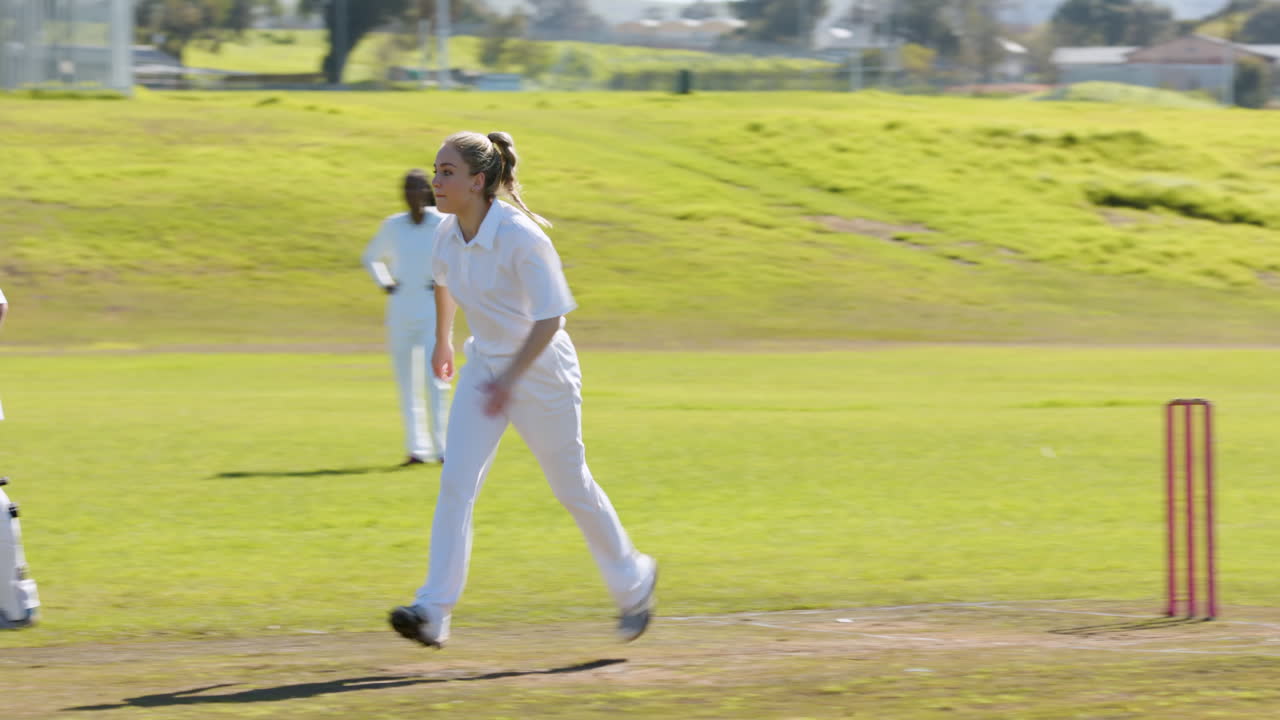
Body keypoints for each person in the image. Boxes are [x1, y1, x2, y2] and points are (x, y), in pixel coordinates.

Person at [388, 131, 657, 648]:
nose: (436, 182)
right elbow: (443, 280)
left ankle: (633, 579)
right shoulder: (448, 232)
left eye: (447, 173)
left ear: (479, 181)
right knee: (456, 484)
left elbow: (551, 318)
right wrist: (444, 341)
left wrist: (511, 380)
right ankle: (432, 611)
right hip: (485, 368)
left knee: (570, 485)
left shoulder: (522, 236)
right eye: (436, 170)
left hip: (542, 375)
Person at [362, 170, 450, 466]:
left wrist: (444, 282)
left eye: (417, 187)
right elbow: (371, 256)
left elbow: (459, 256)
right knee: (407, 383)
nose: (412, 193)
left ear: (427, 191)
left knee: (436, 379)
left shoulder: (441, 222)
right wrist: (386, 283)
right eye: (407, 188)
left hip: (431, 310)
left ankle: (443, 449)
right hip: (400, 310)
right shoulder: (393, 225)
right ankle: (417, 449)